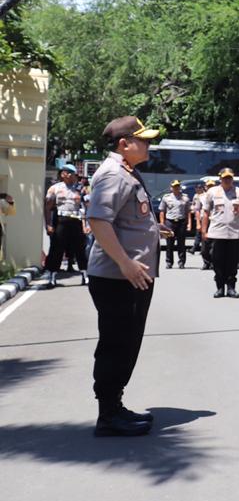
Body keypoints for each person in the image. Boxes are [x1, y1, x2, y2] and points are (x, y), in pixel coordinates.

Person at [85, 116, 163, 437]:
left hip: (129, 277)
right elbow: (98, 221)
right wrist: (126, 263)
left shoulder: (127, 172)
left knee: (127, 342)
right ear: (124, 143)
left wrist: (154, 229)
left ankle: (115, 406)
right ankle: (108, 416)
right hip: (118, 278)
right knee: (116, 344)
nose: (148, 144)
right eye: (142, 139)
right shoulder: (113, 174)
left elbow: (123, 219)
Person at [203, 168, 239, 298]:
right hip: (217, 233)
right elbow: (206, 212)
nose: (227, 180)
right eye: (225, 178)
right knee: (217, 261)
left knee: (232, 262)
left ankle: (231, 288)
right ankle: (220, 288)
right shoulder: (212, 192)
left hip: (234, 234)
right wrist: (203, 230)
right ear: (220, 178)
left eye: (230, 178)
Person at [43, 161, 89, 288]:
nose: (70, 175)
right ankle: (52, 277)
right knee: (56, 249)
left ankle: (85, 276)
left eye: (72, 173)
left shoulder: (81, 189)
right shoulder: (55, 188)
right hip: (61, 220)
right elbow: (47, 207)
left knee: (80, 249)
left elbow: (87, 206)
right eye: (68, 173)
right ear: (63, 174)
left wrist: (87, 224)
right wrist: (48, 224)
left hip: (76, 221)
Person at [158, 180, 191, 269]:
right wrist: (162, 224)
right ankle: (169, 262)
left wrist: (189, 223)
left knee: (181, 243)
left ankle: (181, 262)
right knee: (169, 243)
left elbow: (188, 212)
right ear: (171, 188)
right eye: (174, 186)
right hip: (170, 222)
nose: (176, 188)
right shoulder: (166, 197)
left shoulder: (185, 198)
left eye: (177, 186)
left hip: (181, 222)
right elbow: (162, 211)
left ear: (179, 187)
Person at [198, 179, 216, 270]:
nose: (210, 188)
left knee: (214, 244)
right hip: (205, 221)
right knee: (205, 244)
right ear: (205, 187)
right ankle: (206, 262)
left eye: (212, 186)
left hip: (214, 221)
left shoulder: (218, 196)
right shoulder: (201, 197)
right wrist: (198, 223)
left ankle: (213, 263)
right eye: (209, 186)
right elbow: (197, 210)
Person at [190, 181, 207, 265]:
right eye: (197, 188)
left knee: (200, 234)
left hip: (204, 217)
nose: (198, 189)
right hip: (198, 217)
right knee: (198, 234)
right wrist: (192, 208)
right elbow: (194, 205)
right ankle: (197, 248)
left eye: (200, 188)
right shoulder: (196, 196)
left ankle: (195, 248)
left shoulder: (205, 195)